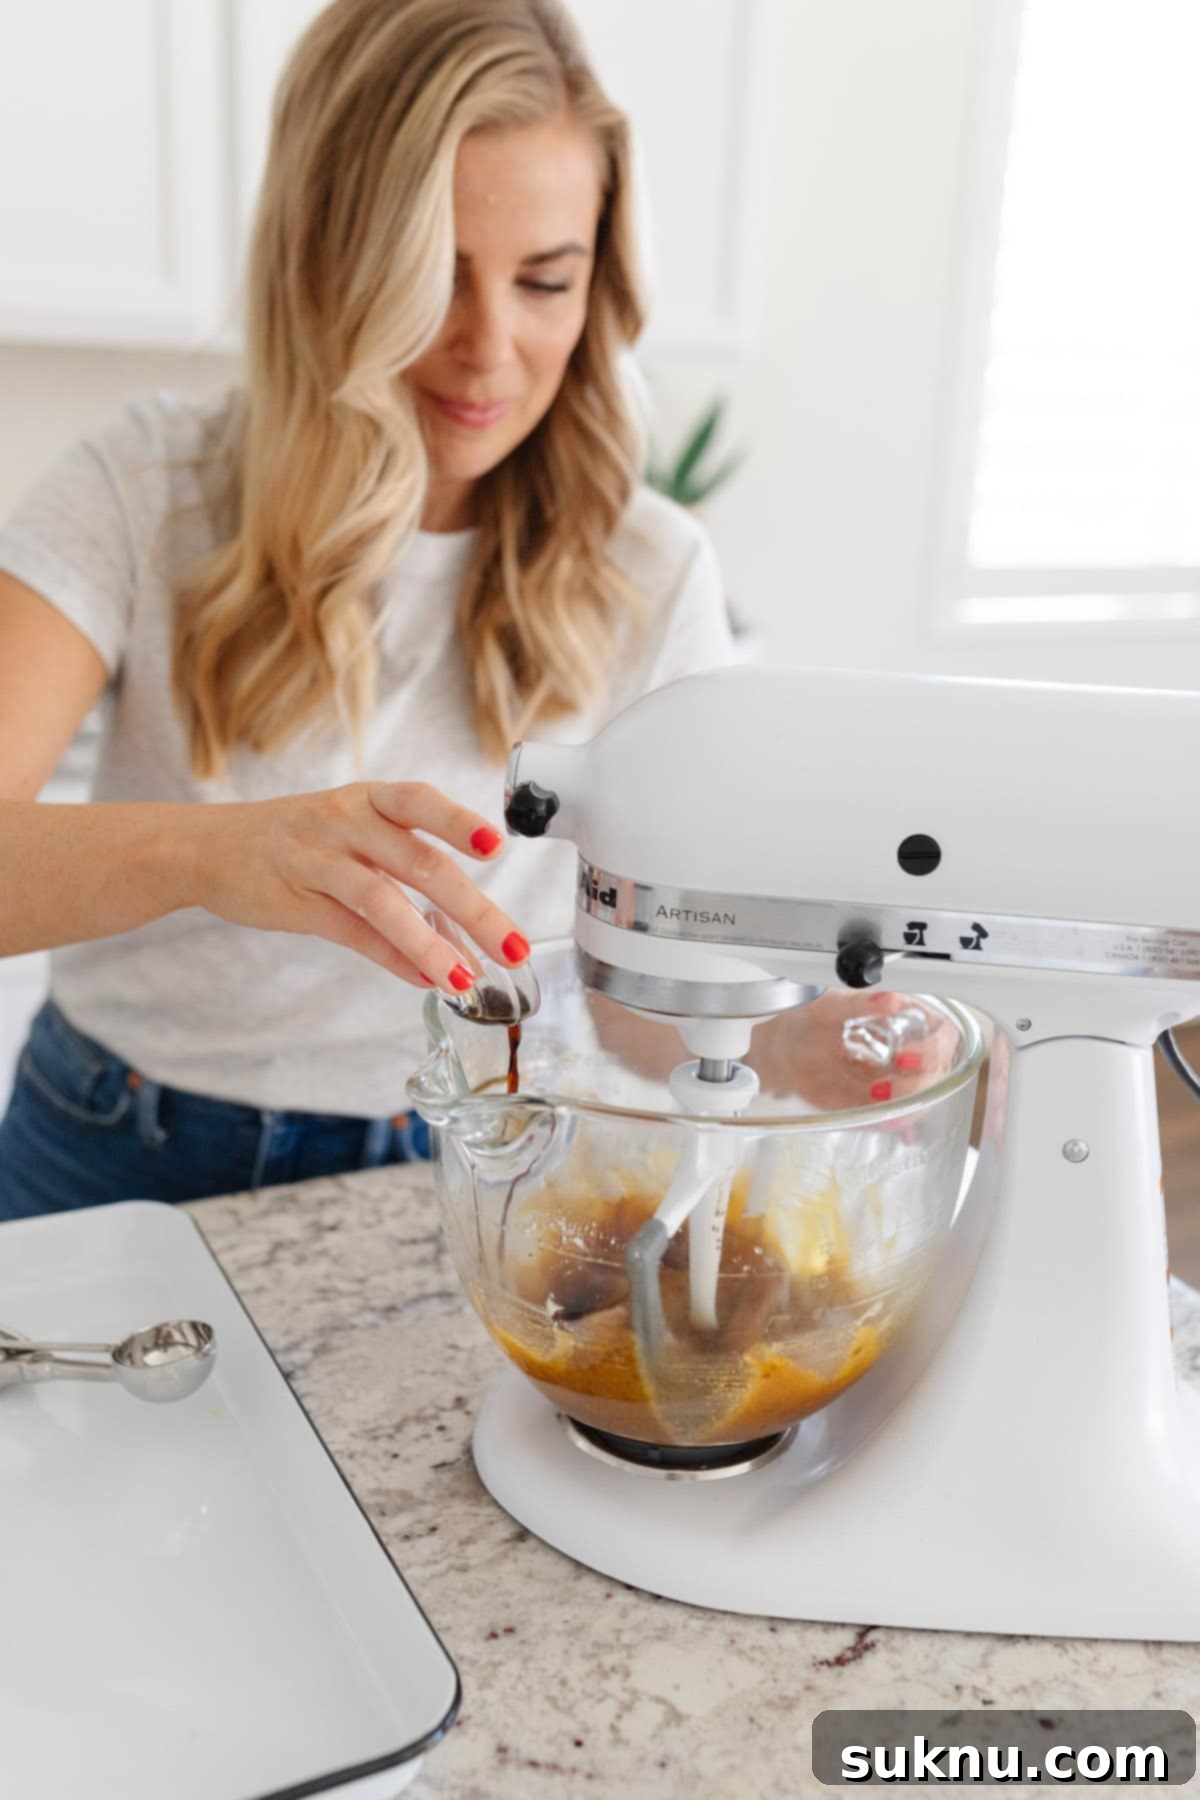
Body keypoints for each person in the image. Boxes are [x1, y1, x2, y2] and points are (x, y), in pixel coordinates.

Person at [0, 0, 740, 1219]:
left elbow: (636, 1009)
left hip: (468, 1167)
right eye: (430, 280)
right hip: (113, 1149)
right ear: (322, 262)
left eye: (546, 280)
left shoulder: (654, 569)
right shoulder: (144, 491)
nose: (489, 350)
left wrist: (794, 1046)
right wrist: (212, 853)